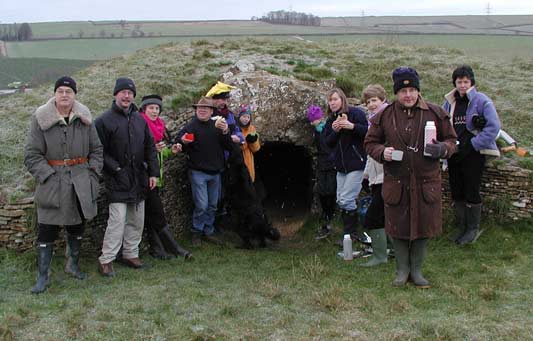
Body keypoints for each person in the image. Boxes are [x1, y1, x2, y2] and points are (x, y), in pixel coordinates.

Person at [365, 67, 457, 288]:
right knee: (398, 226)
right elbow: (370, 143)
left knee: (423, 227)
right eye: (404, 90)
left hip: (426, 184)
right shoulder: (384, 116)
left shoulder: (435, 113)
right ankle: (401, 271)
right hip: (396, 183)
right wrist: (382, 152)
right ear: (396, 93)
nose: (408, 95)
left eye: (412, 89)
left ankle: (416, 271)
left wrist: (442, 149)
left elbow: (453, 142)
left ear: (418, 90)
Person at [24, 76, 103, 293]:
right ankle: (43, 276)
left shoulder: (85, 118)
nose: (65, 95)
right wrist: (48, 176)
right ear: (55, 94)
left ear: (75, 94)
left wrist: (93, 173)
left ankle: (73, 265)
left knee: (77, 225)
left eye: (69, 91)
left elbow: (97, 150)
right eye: (61, 91)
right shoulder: (41, 119)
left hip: (81, 179)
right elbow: (32, 155)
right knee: (46, 229)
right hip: (52, 180)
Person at [95, 77, 159, 277]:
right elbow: (99, 151)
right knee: (117, 220)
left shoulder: (140, 119)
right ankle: (106, 259)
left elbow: (149, 147)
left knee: (136, 219)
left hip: (138, 177)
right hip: (117, 179)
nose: (127, 96)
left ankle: (131, 254)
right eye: (123, 92)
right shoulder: (103, 121)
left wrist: (153, 173)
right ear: (116, 94)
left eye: (130, 93)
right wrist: (117, 170)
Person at [442, 65, 501, 245]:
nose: (462, 85)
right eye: (459, 82)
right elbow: (443, 124)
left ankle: (472, 229)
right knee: (457, 189)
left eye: (466, 81)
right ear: (455, 83)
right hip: (455, 152)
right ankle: (462, 226)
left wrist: (474, 144)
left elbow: (494, 127)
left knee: (471, 189)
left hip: (474, 152)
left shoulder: (482, 101)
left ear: (472, 82)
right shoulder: (449, 102)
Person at [139, 94, 192, 260]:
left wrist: (171, 151)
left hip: (157, 178)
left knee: (151, 215)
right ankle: (174, 249)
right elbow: (137, 152)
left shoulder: (158, 126)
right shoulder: (140, 126)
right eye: (151, 108)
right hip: (145, 178)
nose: (154, 111)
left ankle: (158, 250)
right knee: (158, 214)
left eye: (157, 108)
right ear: (144, 109)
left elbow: (159, 155)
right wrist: (153, 149)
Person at [176, 97, 233, 246]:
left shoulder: (218, 126)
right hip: (198, 172)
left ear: (211, 111)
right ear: (196, 111)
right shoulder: (191, 126)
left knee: (213, 205)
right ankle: (197, 232)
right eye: (199, 108)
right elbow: (178, 140)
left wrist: (226, 130)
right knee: (202, 205)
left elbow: (229, 146)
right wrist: (182, 141)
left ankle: (208, 231)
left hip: (216, 172)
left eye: (205, 108)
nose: (201, 110)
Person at [325, 88, 369, 245]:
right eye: (330, 100)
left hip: (356, 163)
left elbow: (368, 132)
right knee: (341, 199)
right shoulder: (331, 120)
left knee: (346, 199)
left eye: (335, 99)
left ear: (342, 99)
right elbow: (328, 143)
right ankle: (349, 235)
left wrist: (351, 126)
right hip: (341, 166)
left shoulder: (355, 113)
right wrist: (336, 130)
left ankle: (351, 234)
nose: (332, 102)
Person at [360, 84, 389, 267]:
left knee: (374, 216)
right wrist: (366, 175)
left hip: (387, 175)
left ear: (383, 100)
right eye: (368, 101)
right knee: (386, 216)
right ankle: (390, 250)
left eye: (374, 100)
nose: (371, 104)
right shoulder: (373, 121)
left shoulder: (388, 121)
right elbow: (371, 153)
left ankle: (380, 256)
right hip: (376, 175)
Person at [307, 104, 336, 240]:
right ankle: (326, 216)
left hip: (330, 164)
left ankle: (330, 216)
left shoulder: (326, 128)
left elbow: (329, 147)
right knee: (322, 191)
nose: (312, 123)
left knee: (330, 191)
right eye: (311, 120)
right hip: (322, 164)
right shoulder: (317, 130)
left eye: (313, 120)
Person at [236, 104, 261, 182]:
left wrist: (253, 142)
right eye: (244, 116)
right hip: (238, 158)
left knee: (248, 181)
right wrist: (246, 142)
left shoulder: (251, 128)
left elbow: (256, 149)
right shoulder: (235, 128)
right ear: (239, 117)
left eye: (248, 117)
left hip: (248, 159)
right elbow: (238, 146)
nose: (246, 119)